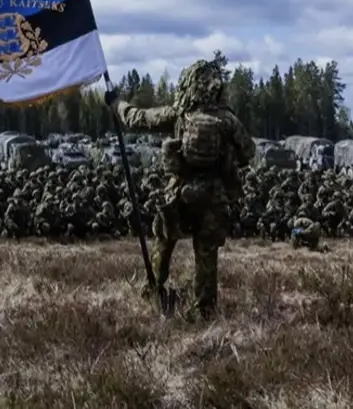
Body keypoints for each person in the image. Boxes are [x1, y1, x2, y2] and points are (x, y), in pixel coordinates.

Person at [107, 55, 251, 319]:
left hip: (179, 193)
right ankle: (204, 309)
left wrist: (116, 103)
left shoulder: (178, 114)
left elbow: (137, 118)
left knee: (164, 240)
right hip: (213, 196)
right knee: (206, 253)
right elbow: (249, 153)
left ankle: (153, 289)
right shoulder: (228, 120)